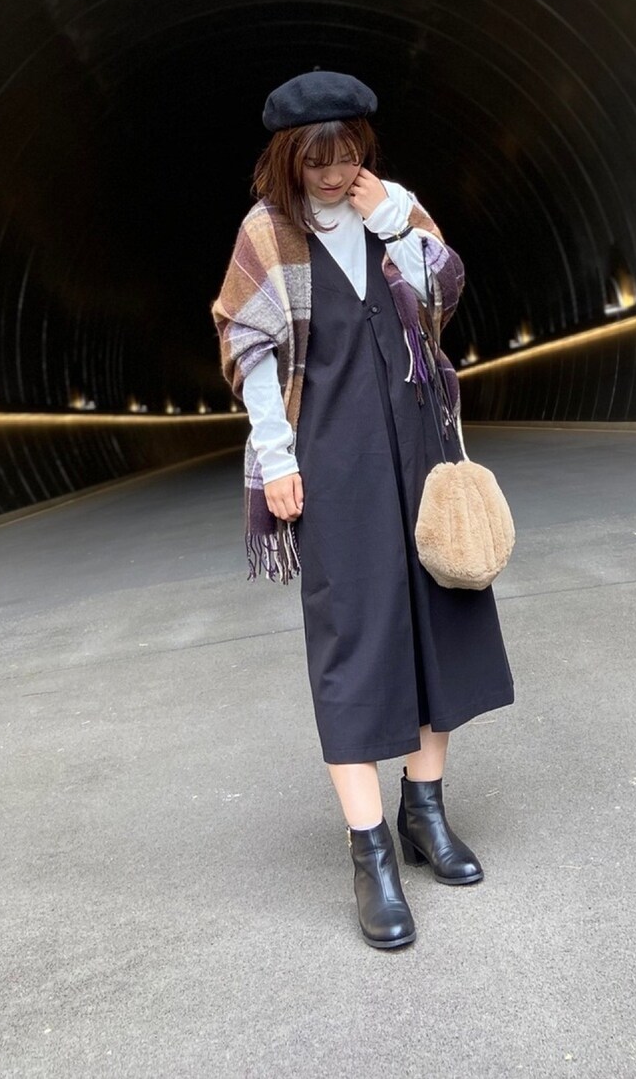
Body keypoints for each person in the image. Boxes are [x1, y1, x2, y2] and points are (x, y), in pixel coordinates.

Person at [212, 71, 514, 950]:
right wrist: (276, 459)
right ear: (288, 159)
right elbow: (250, 346)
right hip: (331, 460)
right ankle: (370, 851)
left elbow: (443, 294)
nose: (336, 173)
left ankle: (426, 810)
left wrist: (392, 221)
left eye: (347, 155)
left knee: (439, 620)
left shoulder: (394, 208)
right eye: (318, 160)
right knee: (352, 640)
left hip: (421, 446)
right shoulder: (266, 233)